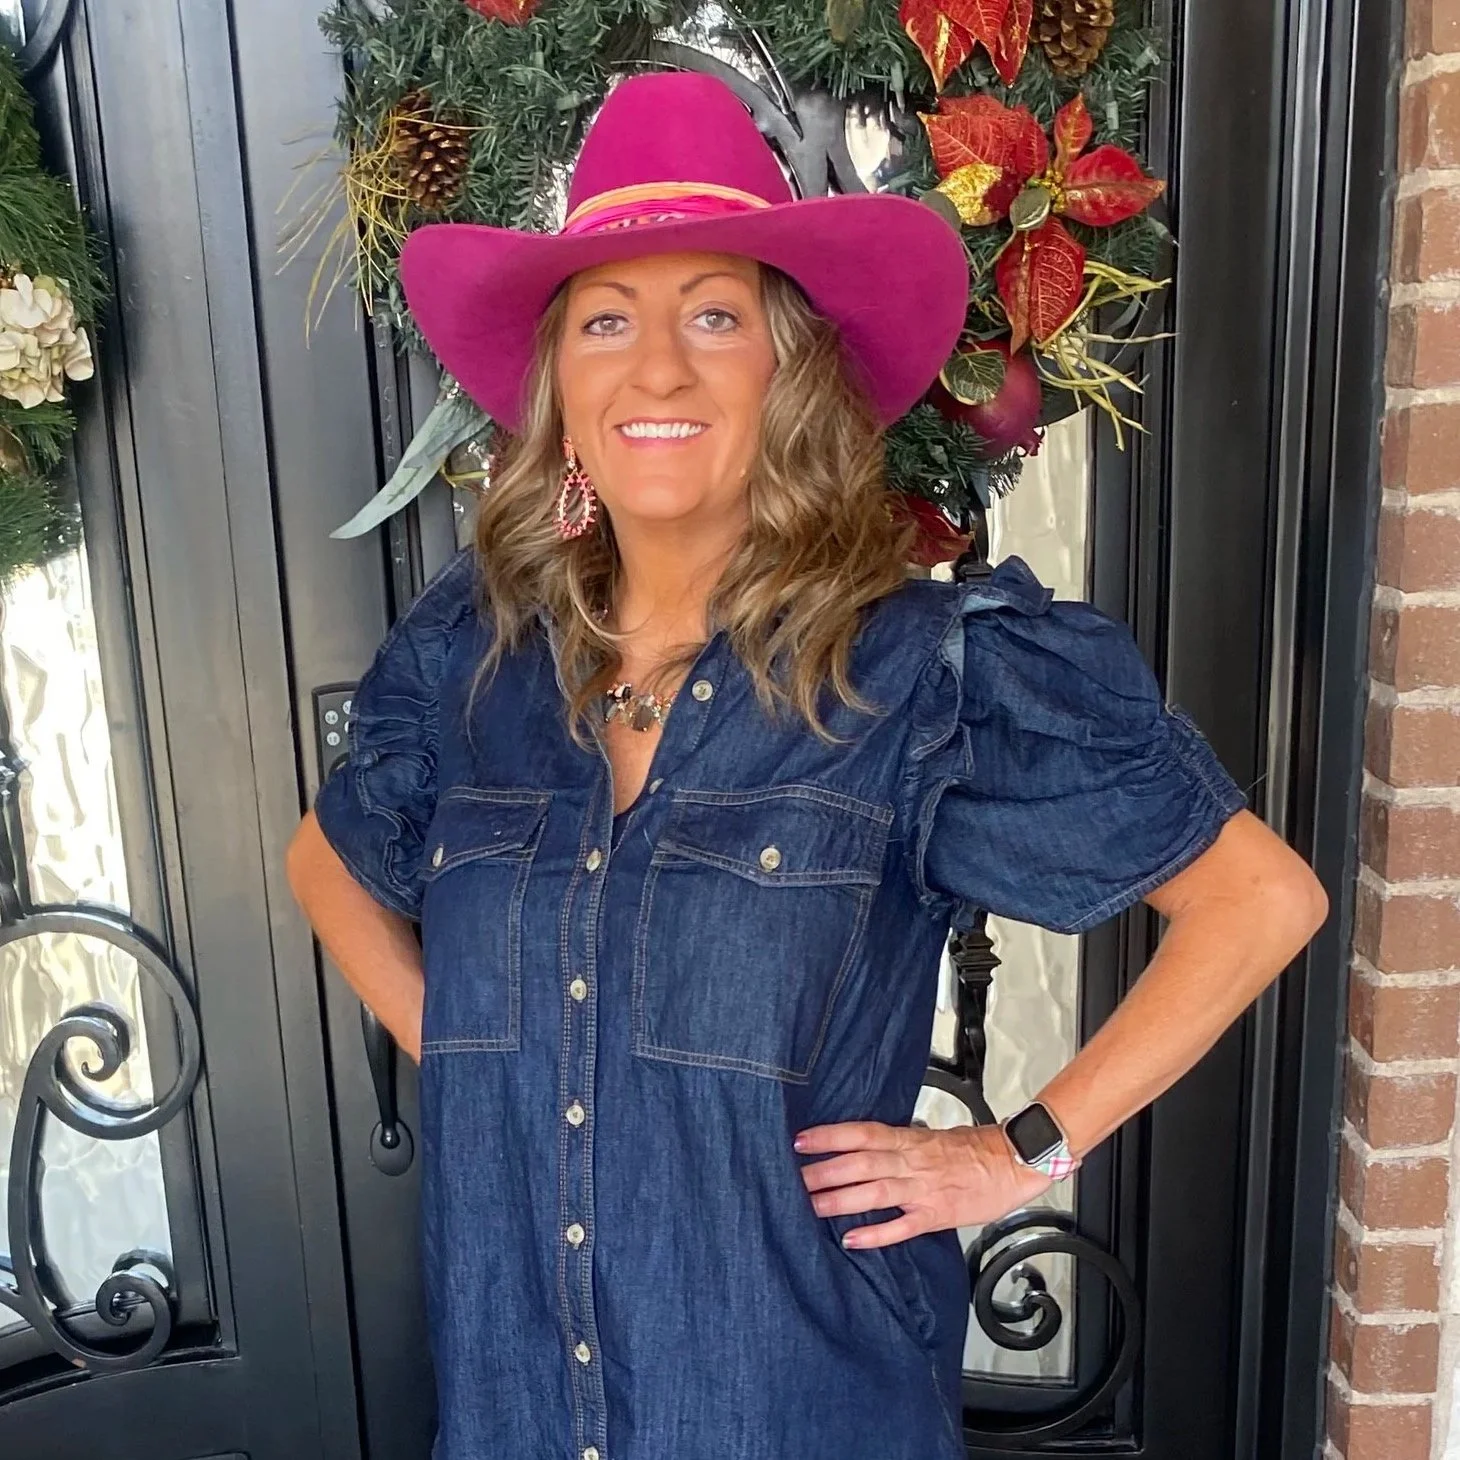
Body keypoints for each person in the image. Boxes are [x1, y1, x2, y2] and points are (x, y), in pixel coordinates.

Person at [286, 70, 1326, 1460]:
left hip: (802, 1409)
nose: (658, 367)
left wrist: (1018, 1150)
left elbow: (1261, 902)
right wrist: (480, 1056)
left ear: (790, 372)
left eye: (714, 316)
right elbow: (323, 861)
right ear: (560, 391)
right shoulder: (474, 656)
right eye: (607, 321)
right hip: (518, 1412)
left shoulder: (919, 674)